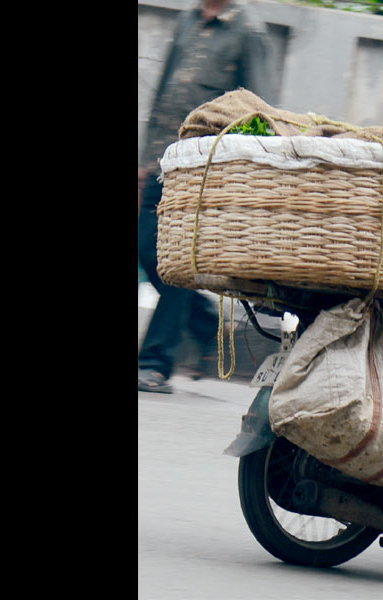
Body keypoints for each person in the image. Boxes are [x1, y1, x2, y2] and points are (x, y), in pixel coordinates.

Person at [138, 0, 276, 393]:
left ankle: (155, 364)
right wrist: (144, 161)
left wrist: (238, 180)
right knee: (145, 246)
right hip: (163, 158)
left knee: (177, 265)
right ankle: (205, 322)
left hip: (204, 171)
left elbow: (260, 112)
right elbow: (163, 95)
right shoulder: (188, 19)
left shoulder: (249, 33)